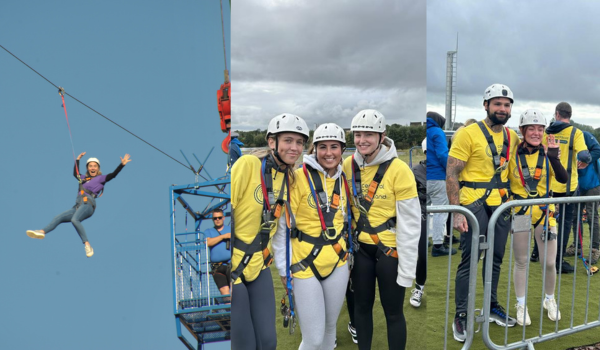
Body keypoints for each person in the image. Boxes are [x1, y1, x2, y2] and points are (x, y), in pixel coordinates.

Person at [447, 84, 519, 342]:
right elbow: (452, 173)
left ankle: (491, 306)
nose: (502, 109)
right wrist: (457, 212)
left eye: (507, 104)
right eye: (497, 104)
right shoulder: (468, 134)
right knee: (470, 259)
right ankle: (462, 314)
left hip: (501, 204)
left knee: (496, 258)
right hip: (472, 203)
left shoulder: (512, 137)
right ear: (486, 105)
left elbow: (515, 169)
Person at [230, 113, 309, 350]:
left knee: (268, 342)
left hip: (260, 265)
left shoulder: (290, 177)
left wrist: (285, 271)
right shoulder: (248, 165)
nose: (294, 148)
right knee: (245, 344)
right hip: (233, 267)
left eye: (299, 142)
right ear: (272, 142)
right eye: (288, 140)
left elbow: (282, 228)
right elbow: (226, 211)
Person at [343, 109, 420, 350]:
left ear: (382, 136)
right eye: (357, 134)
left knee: (393, 313)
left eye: (369, 134)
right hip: (359, 250)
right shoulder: (347, 165)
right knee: (361, 309)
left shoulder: (399, 170)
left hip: (389, 251)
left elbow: (410, 222)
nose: (362, 140)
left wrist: (408, 270)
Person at [272, 123, 351, 350]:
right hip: (304, 265)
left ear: (342, 149)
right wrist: (283, 268)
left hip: (338, 262)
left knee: (329, 329)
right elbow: (281, 230)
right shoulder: (297, 178)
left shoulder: (343, 179)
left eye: (334, 147)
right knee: (313, 338)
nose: (328, 153)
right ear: (314, 149)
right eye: (322, 147)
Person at [508, 109, 568, 326]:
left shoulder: (549, 151)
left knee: (549, 262)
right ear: (522, 130)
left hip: (545, 214)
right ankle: (521, 303)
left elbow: (563, 178)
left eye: (540, 128)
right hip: (521, 213)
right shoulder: (512, 153)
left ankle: (549, 299)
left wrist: (554, 158)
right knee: (522, 261)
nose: (535, 132)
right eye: (531, 128)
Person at [26, 152, 131, 257]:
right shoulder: (83, 178)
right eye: (90, 166)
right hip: (77, 206)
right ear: (88, 168)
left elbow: (113, 175)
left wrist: (121, 165)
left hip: (88, 204)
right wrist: (77, 159)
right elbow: (75, 174)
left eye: (95, 166)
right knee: (59, 217)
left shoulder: (100, 178)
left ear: (98, 168)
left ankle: (87, 245)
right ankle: (42, 232)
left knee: (74, 220)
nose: (93, 168)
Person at [535, 102, 591, 273]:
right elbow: (583, 154)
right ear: (570, 115)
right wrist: (585, 160)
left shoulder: (546, 132)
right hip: (567, 185)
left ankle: (536, 253)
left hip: (546, 185)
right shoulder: (576, 133)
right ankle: (558, 261)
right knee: (565, 223)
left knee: (541, 218)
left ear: (557, 114)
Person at [565, 130, 600, 264]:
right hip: (576, 184)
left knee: (592, 216)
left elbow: (598, 150)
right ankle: (577, 246)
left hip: (593, 183)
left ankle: (595, 249)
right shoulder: (563, 137)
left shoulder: (582, 134)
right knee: (575, 215)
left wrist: (586, 161)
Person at [426, 111, 457, 257]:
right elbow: (443, 154)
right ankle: (438, 245)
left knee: (423, 212)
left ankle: (424, 240)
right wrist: (451, 171)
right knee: (440, 212)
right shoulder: (437, 131)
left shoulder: (426, 131)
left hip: (424, 176)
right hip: (438, 177)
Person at [410, 138, 428, 308]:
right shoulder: (415, 171)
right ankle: (419, 287)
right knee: (423, 255)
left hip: (443, 216)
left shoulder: (447, 168)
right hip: (423, 215)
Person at [204, 208, 232, 297]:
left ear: (223, 218)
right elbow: (207, 243)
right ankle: (229, 309)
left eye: (219, 217)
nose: (217, 220)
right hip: (217, 267)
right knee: (224, 291)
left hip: (231, 264)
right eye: (215, 218)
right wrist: (224, 236)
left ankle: (235, 309)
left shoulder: (231, 229)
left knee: (234, 288)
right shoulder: (208, 231)